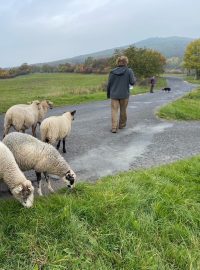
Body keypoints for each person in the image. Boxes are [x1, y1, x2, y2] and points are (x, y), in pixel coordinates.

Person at [107, 56, 136, 133]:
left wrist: (109, 94)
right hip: (124, 95)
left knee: (114, 111)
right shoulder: (129, 71)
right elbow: (132, 82)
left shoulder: (112, 71)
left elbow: (109, 84)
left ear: (118, 62)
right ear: (126, 62)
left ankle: (114, 128)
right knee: (123, 110)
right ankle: (121, 125)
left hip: (114, 95)